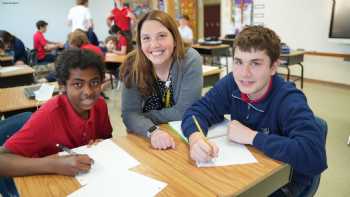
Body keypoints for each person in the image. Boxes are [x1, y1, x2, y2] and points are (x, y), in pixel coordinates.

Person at [181, 26, 327, 197]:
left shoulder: (289, 99)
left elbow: (314, 156)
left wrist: (252, 137)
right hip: (249, 169)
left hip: (285, 181)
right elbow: (197, 111)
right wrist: (196, 137)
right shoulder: (232, 84)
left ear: (273, 67)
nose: (244, 73)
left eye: (255, 63)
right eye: (238, 62)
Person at [0, 48, 112, 177]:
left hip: (87, 175)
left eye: (94, 82)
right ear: (63, 86)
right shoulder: (48, 116)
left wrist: (101, 142)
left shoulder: (100, 105)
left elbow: (107, 138)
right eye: (77, 84)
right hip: (47, 179)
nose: (88, 92)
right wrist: (54, 165)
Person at [120, 10, 203, 150]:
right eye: (146, 38)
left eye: (162, 36)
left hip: (181, 138)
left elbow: (185, 111)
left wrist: (141, 117)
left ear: (175, 39)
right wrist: (152, 130)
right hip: (145, 137)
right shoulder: (132, 64)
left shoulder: (189, 59)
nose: (154, 45)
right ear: (139, 42)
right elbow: (129, 114)